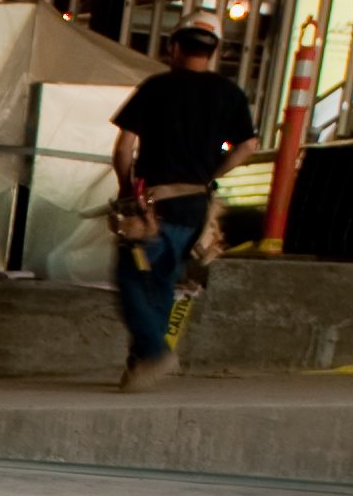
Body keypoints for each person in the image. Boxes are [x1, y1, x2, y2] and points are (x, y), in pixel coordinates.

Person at [104, 23, 259, 391]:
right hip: (194, 207)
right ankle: (141, 363)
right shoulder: (229, 93)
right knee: (161, 281)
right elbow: (248, 146)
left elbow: (124, 147)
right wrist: (211, 175)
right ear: (213, 52)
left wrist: (128, 188)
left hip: (153, 205)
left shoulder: (157, 87)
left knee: (131, 278)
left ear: (174, 47)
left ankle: (155, 352)